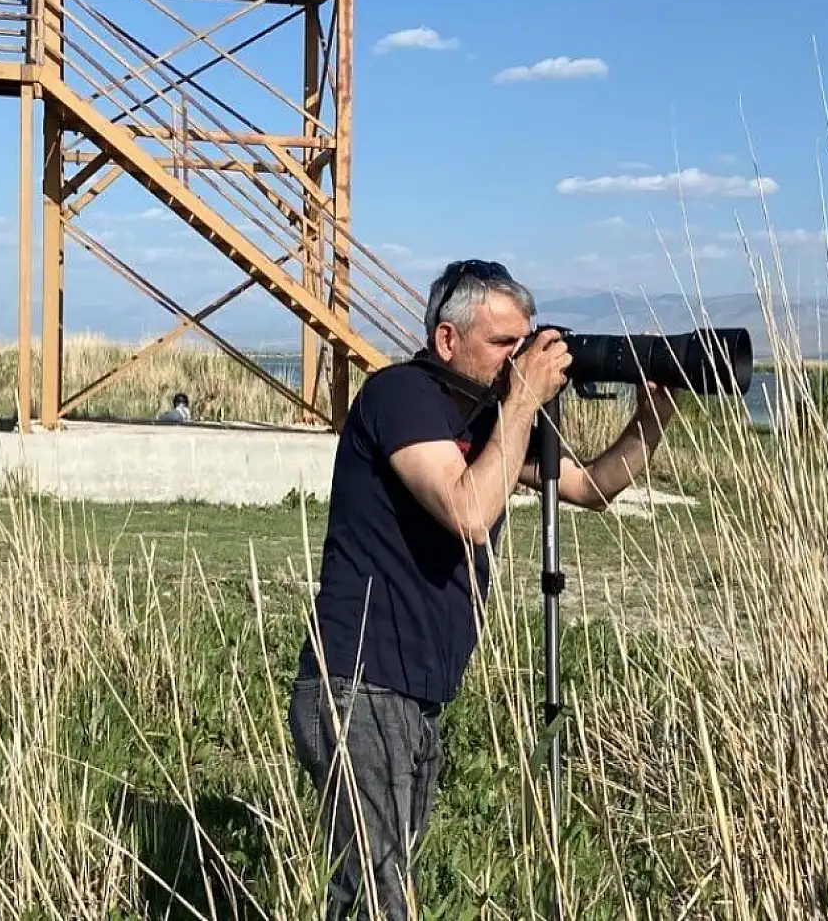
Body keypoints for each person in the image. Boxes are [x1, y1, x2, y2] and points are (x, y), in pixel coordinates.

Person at [288, 259, 677, 919]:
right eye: (502, 344)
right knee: (376, 900)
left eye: (521, 344)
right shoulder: (399, 395)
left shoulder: (482, 420)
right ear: (446, 339)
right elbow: (469, 512)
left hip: (414, 696)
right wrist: (522, 401)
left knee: (385, 889)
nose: (515, 360)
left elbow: (591, 488)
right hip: (360, 683)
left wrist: (653, 417)